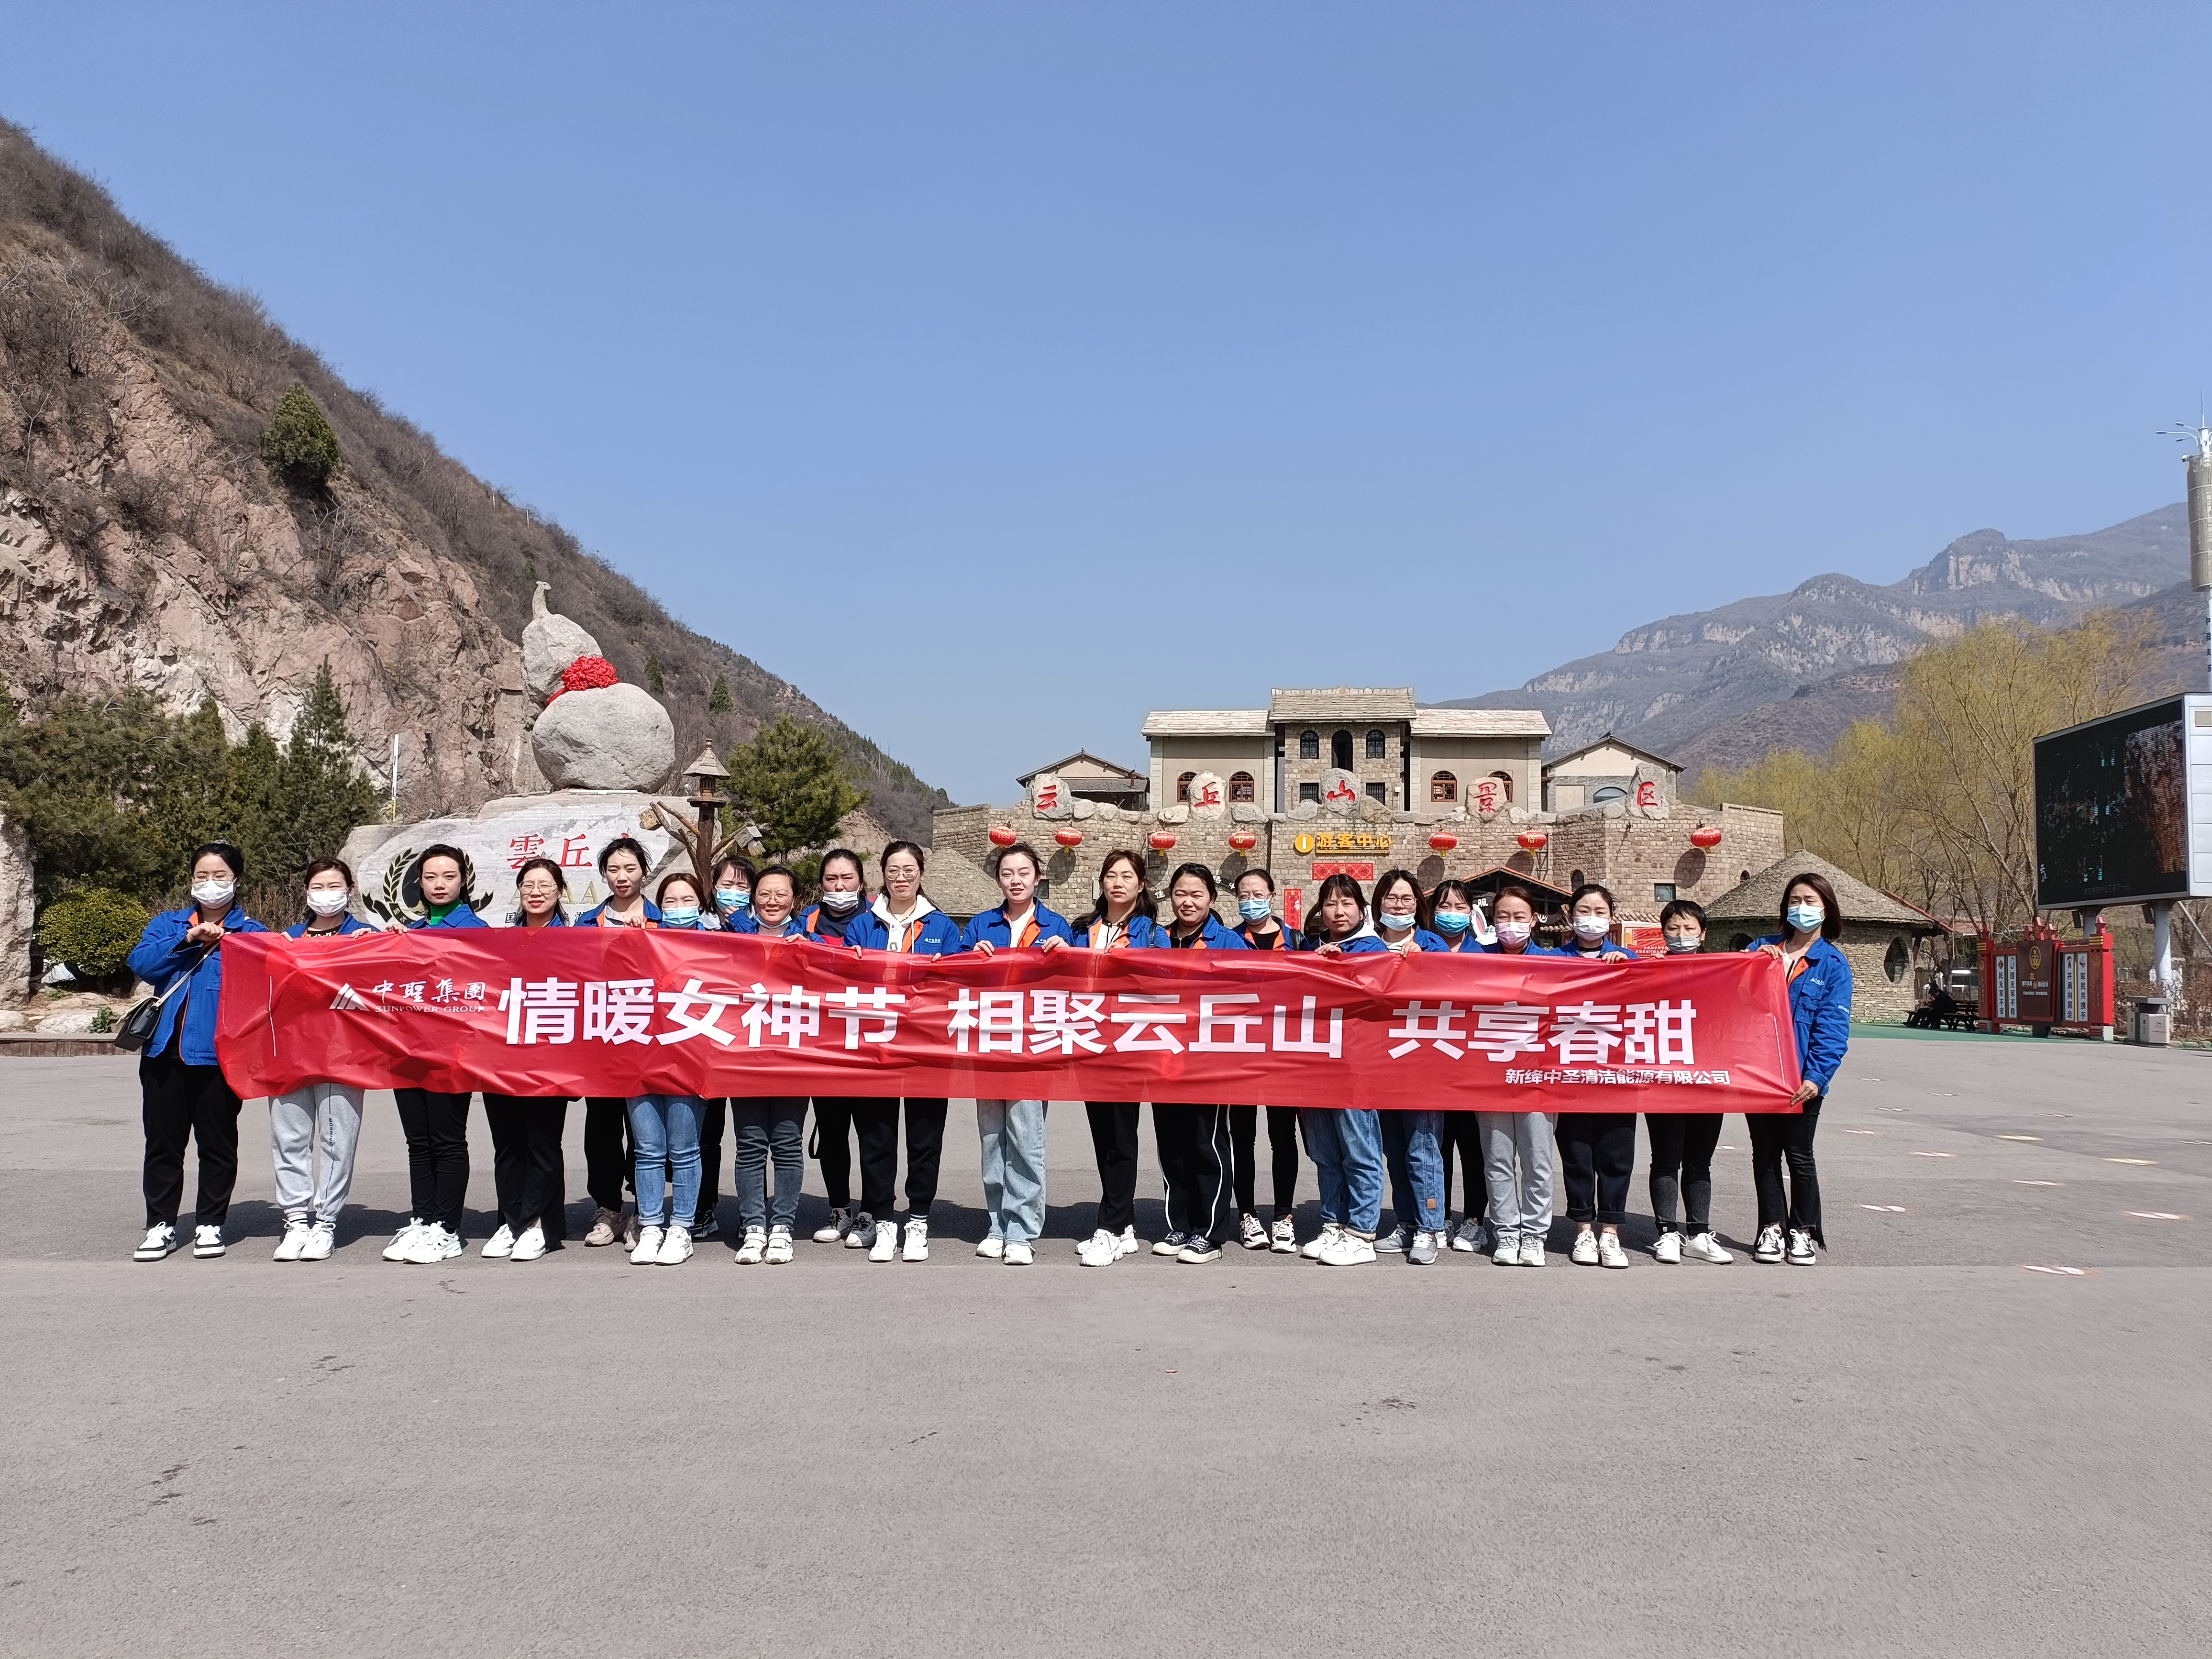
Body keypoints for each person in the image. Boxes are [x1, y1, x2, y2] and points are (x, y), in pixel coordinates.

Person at [128, 842, 269, 1262]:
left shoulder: (254, 933)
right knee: (163, 1144)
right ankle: (160, 1225)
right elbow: (143, 964)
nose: (211, 885)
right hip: (162, 1053)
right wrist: (188, 938)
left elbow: (274, 980)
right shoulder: (167, 924)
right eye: (202, 876)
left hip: (220, 1055)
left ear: (237, 880)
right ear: (191, 880)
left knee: (218, 1144)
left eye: (220, 876)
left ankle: (210, 1223)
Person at [839, 841, 963, 1262]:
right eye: (893, 869)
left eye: (909, 869)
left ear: (921, 873)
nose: (902, 877)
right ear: (883, 874)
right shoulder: (861, 925)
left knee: (925, 1138)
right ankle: (883, 1219)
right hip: (875, 1047)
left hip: (928, 1048)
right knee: (877, 1137)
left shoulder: (943, 926)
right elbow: (840, 977)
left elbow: (959, 981)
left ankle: (918, 1220)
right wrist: (847, 962)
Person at [961, 842, 1072, 1266]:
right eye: (1008, 873)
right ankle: (997, 1224)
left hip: (1033, 1047)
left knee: (1026, 1138)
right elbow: (955, 978)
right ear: (998, 880)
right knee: (992, 1139)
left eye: (1024, 872)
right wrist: (970, 959)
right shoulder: (980, 925)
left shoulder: (1056, 925)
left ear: (1038, 877)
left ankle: (1022, 1231)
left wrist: (1065, 955)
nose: (1016, 880)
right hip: (988, 1045)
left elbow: (1077, 982)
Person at [382, 845, 487, 1265]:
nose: (439, 884)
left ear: (463, 882)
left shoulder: (476, 930)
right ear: (418, 884)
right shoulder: (409, 931)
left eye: (448, 876)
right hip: (407, 1050)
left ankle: (448, 1228)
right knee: (418, 1142)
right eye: (430, 877)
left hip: (450, 1053)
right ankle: (423, 1218)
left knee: (446, 1140)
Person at [268, 860, 375, 1262]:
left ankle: (325, 1223)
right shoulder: (285, 940)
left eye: (335, 885)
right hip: (289, 1054)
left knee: (337, 1141)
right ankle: (296, 1221)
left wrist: (384, 942)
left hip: (342, 1056)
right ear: (306, 892)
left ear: (349, 889)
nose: (326, 892)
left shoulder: (366, 937)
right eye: (318, 885)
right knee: (289, 1140)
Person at [1745, 872, 1851, 1266]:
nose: (1801, 908)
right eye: (1795, 900)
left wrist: (1816, 1077)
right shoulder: (1760, 949)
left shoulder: (1834, 965)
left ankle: (1803, 1230)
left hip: (1801, 1079)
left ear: (1826, 909)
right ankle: (1770, 1228)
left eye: (1810, 901)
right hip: (1759, 1075)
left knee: (1800, 1155)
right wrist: (1755, 963)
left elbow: (1833, 1028)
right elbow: (1731, 992)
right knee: (1764, 1155)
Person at [1147, 863, 1250, 1265]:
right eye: (1180, 894)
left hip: (1210, 1058)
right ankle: (1179, 1224)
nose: (1187, 902)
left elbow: (1247, 996)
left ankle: (1209, 1233)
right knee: (1172, 1145)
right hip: (1163, 1056)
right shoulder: (1158, 939)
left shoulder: (1228, 942)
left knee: (1207, 1145)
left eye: (1197, 895)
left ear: (1211, 899)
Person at [1069, 849, 1164, 1267]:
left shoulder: (1152, 932)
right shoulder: (1081, 929)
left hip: (1128, 1044)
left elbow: (1161, 981)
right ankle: (1122, 1222)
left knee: (1122, 1138)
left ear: (1141, 885)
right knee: (1103, 1137)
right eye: (1111, 875)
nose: (1118, 883)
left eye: (1127, 876)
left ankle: (1109, 1228)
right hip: (1089, 1043)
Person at [481, 857, 575, 1262]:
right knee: (507, 1145)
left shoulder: (576, 940)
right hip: (500, 1056)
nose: (536, 892)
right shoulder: (499, 940)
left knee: (542, 1143)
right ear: (519, 892)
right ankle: (510, 1219)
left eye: (545, 885)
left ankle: (538, 1224)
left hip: (550, 1057)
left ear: (560, 891)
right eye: (528, 885)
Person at [574, 837, 660, 1249]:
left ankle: (646, 1211)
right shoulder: (587, 924)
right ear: (604, 875)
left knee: (646, 1130)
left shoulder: (665, 921)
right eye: (613, 870)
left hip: (653, 1042)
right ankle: (608, 1209)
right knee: (603, 1130)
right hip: (603, 1044)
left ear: (644, 870)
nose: (622, 877)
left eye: (630, 868)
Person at [1298, 872, 1388, 1266]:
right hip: (1313, 1064)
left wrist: (1346, 968)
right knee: (1323, 1150)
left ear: (1362, 910)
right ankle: (1333, 1223)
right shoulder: (1310, 947)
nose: (1338, 911)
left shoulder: (1372, 949)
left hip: (1356, 1067)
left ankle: (1363, 1231)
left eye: (1347, 903)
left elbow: (1378, 997)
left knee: (1360, 1149)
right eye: (1330, 903)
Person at [627, 869, 714, 1266]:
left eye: (687, 902)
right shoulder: (643, 941)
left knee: (684, 1149)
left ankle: (681, 1227)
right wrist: (625, 940)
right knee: (647, 1150)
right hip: (639, 1058)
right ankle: (649, 1226)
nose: (678, 910)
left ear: (701, 905)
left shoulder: (718, 946)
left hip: (689, 1061)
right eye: (670, 903)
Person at [1474, 884, 1564, 1266]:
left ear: (1535, 919)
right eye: (1503, 917)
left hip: (1539, 1079)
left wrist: (1615, 958)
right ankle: (1507, 1233)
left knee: (1537, 1161)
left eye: (1519, 917)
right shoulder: (1477, 960)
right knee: (1496, 1160)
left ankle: (1534, 1236)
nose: (1510, 925)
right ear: (1492, 922)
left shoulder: (1556, 962)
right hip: (1491, 1077)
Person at [730, 865, 815, 1264]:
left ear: (794, 900)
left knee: (786, 1143)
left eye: (782, 894)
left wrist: (813, 956)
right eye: (765, 894)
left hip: (793, 1057)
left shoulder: (811, 942)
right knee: (749, 1146)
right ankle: (753, 1226)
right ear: (754, 897)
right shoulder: (731, 942)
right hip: (743, 1057)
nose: (772, 902)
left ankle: (782, 1226)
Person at [1367, 868, 1452, 1265]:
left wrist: (1425, 965)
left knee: (1424, 1148)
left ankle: (1430, 1227)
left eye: (1406, 899)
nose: (1398, 906)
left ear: (1418, 905)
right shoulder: (1366, 946)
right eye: (1391, 899)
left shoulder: (1433, 944)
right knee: (1394, 1150)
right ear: (1378, 903)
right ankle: (1406, 1221)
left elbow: (1456, 988)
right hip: (1378, 1065)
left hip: (1422, 1063)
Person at [1553, 882, 1637, 1270]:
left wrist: (1628, 972)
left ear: (1611, 918)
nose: (1591, 919)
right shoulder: (1552, 960)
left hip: (1616, 1076)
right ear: (1571, 916)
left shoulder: (1629, 959)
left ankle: (1611, 1233)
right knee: (1577, 1155)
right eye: (1583, 911)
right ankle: (1583, 1230)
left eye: (1599, 912)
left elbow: (1657, 999)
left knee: (1616, 1154)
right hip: (1569, 1074)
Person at [1646, 898, 1731, 1265]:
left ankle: (1698, 1232)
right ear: (1663, 933)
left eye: (1689, 929)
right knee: (1666, 1159)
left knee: (1700, 1161)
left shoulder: (1723, 971)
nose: (1681, 936)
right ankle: (1666, 1232)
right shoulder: (1648, 971)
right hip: (1663, 1077)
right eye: (1673, 929)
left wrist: (1763, 961)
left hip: (1708, 1077)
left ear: (1703, 933)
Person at [798, 849, 872, 1249]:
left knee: (873, 1134)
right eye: (831, 879)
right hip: (822, 1042)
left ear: (861, 882)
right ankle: (840, 1206)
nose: (839, 887)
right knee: (831, 1133)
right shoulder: (806, 921)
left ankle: (873, 1210)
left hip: (873, 1042)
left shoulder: (880, 915)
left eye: (847, 879)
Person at [1230, 867, 1305, 1254]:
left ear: (1273, 896)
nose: (1251, 900)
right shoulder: (1227, 940)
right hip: (1239, 1051)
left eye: (1257, 893)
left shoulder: (1296, 939)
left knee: (1282, 1137)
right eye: (1243, 894)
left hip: (1283, 1052)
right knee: (1242, 1138)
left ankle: (1284, 1216)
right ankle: (1246, 1214)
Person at [1423, 878, 1490, 1254]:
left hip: (1473, 1068)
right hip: (1430, 1064)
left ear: (1471, 913)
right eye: (1445, 907)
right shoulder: (1420, 952)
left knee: (1473, 1148)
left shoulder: (1486, 955)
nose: (1452, 915)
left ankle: (1475, 1219)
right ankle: (1440, 1216)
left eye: (1460, 908)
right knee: (1437, 1147)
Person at [693, 854, 754, 1235]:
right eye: (727, 884)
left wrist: (745, 925)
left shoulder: (759, 926)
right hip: (704, 1044)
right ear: (712, 885)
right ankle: (703, 1207)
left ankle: (755, 1216)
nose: (734, 892)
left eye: (743, 886)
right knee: (705, 1134)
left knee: (753, 1137)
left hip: (751, 1042)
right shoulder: (693, 925)